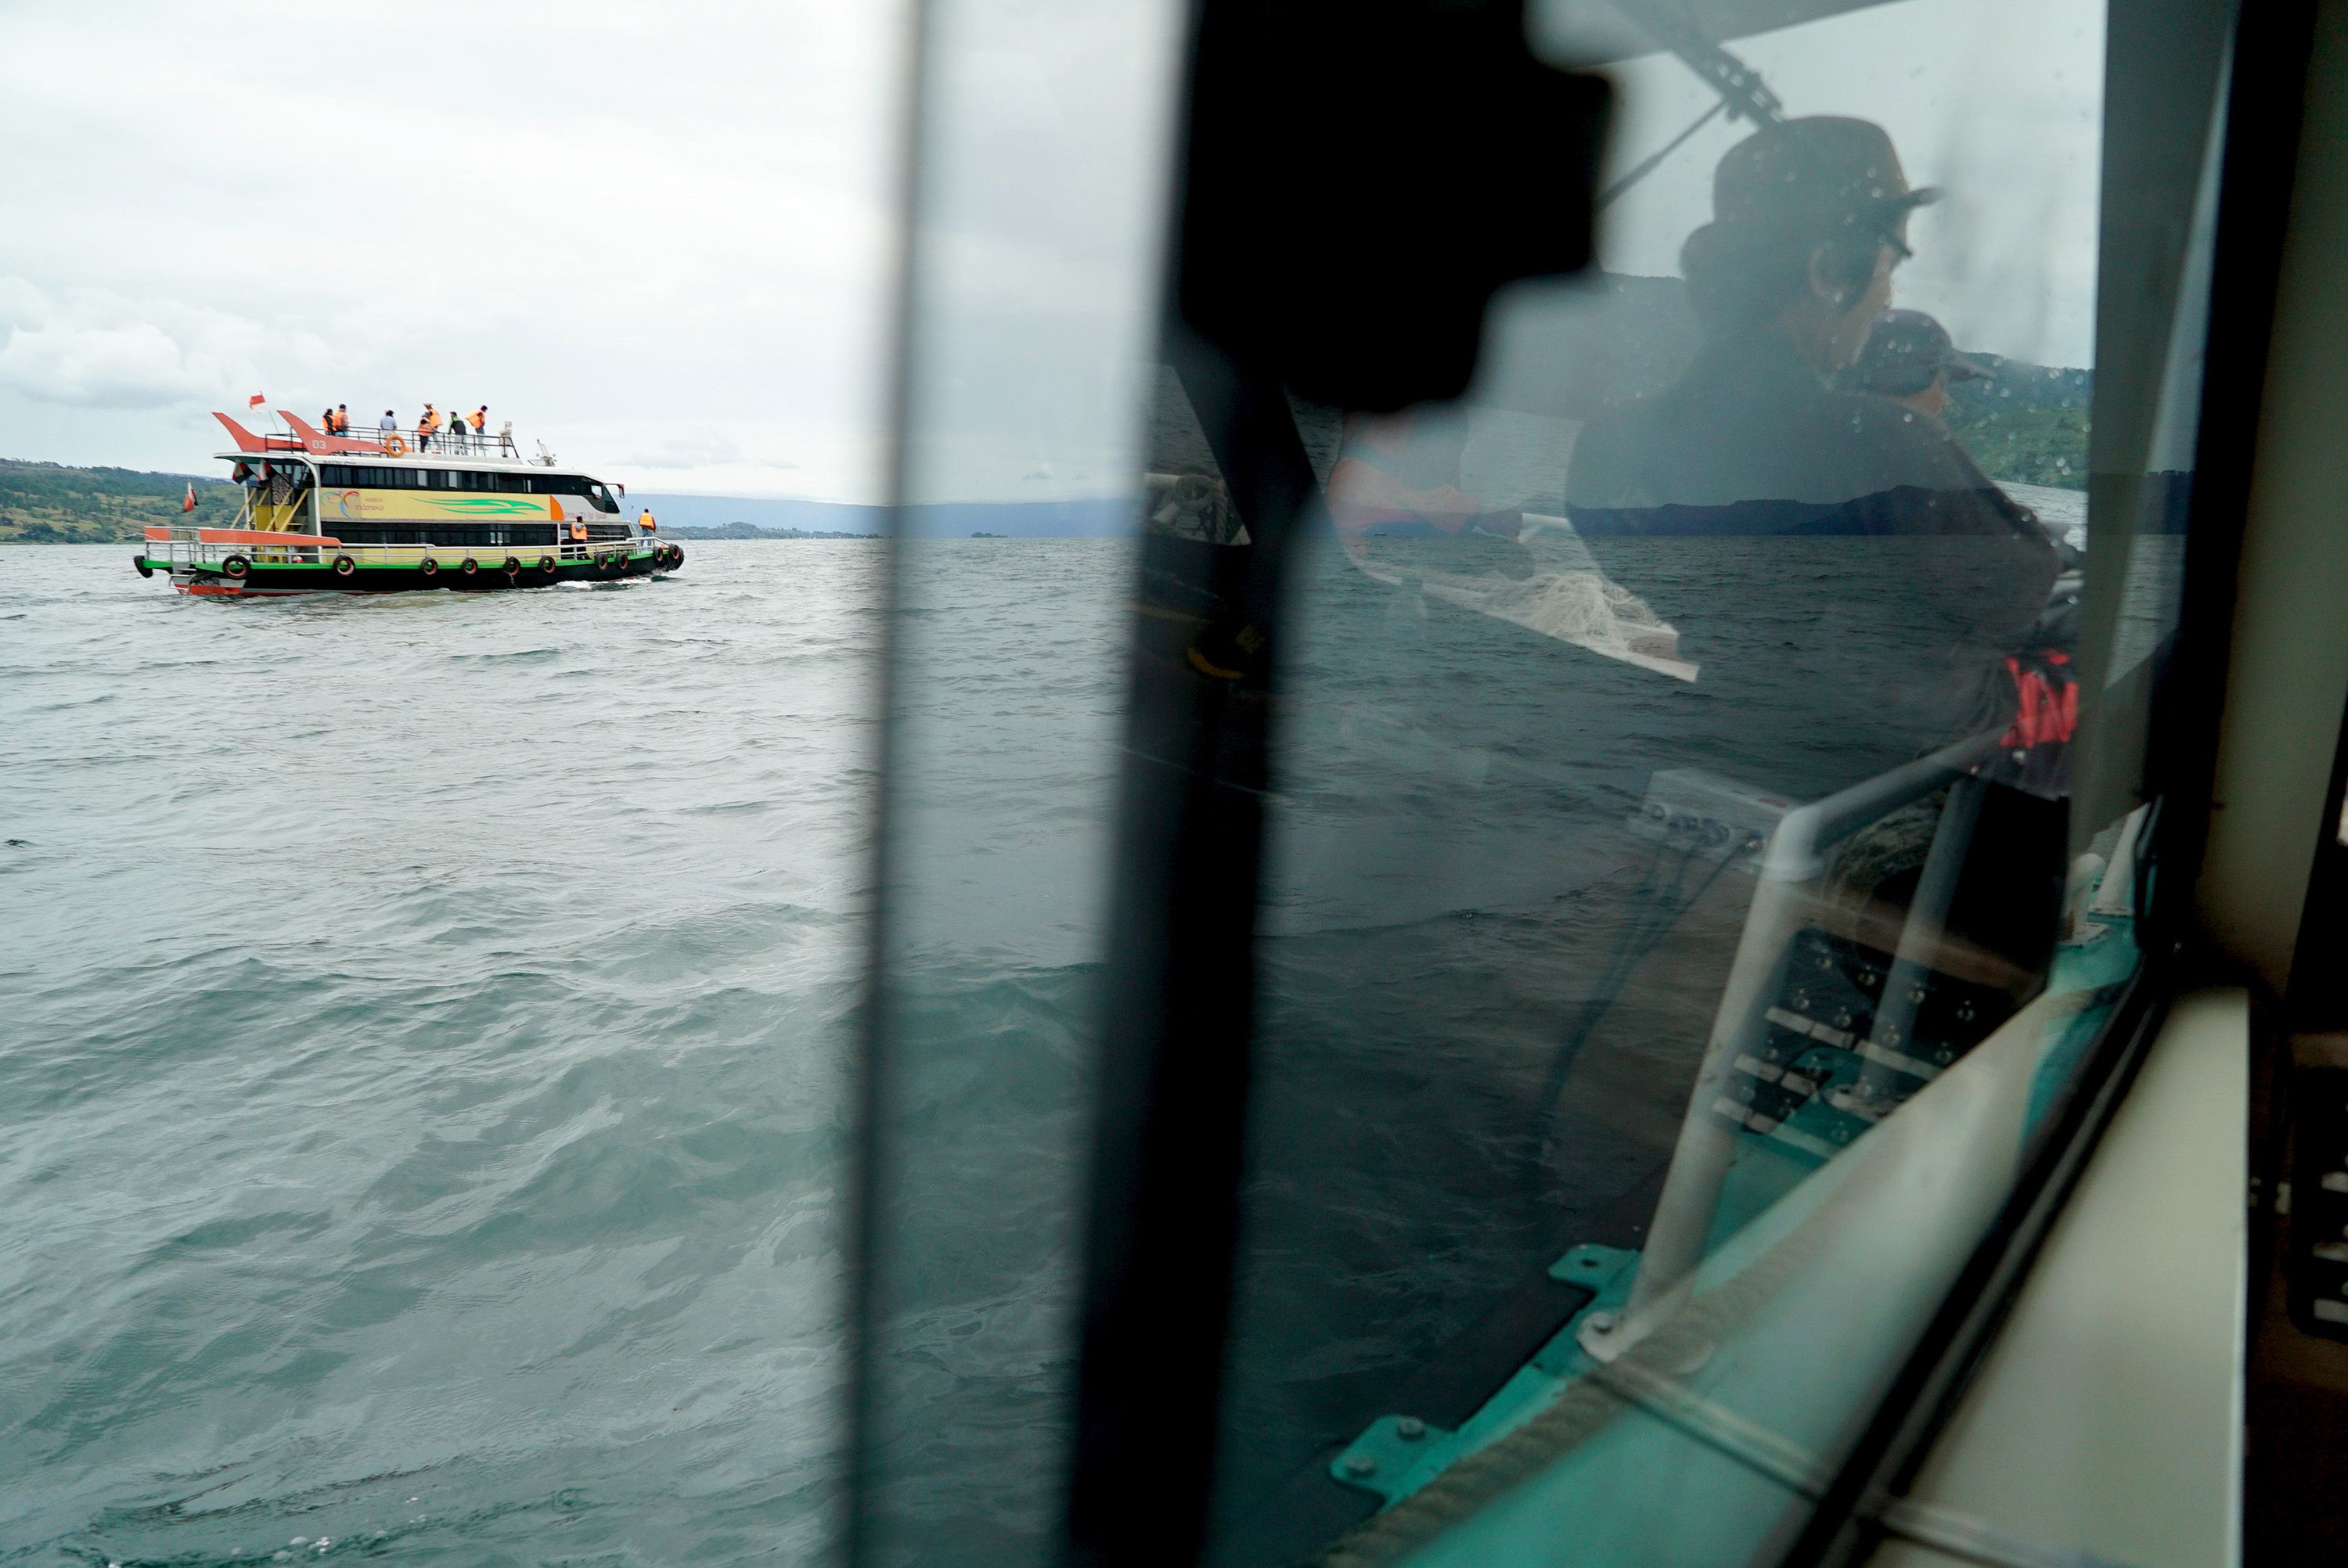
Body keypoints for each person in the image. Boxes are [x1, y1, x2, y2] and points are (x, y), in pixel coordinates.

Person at [1565, 115, 2058, 800]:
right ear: (1828, 272)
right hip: (1877, 783)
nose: (1887, 295)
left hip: (1738, 735)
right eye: (1890, 268)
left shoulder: (1608, 444)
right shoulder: (1878, 442)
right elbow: (2016, 588)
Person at [1849, 308, 1991, 422]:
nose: (1944, 401)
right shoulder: (1915, 453)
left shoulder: (1838, 435)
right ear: (1911, 381)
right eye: (1942, 384)